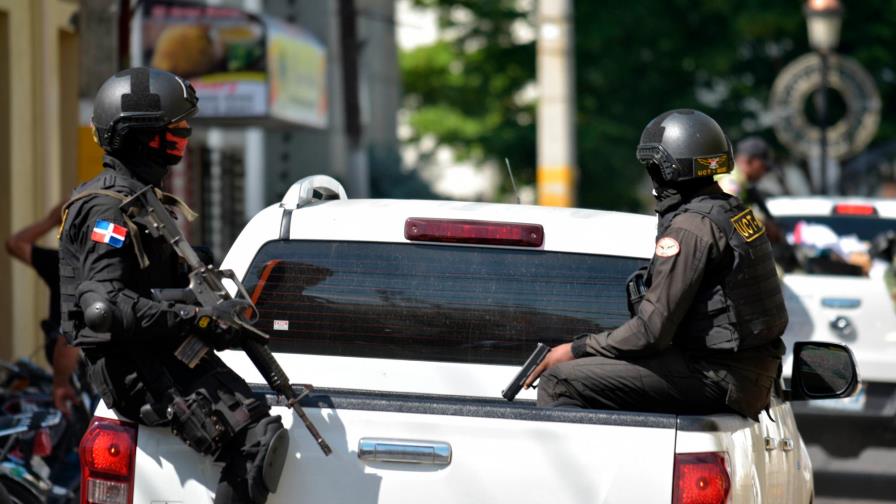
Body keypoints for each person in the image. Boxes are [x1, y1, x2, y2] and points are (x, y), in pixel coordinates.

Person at [58, 68, 287, 503]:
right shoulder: (107, 211)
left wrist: (214, 318)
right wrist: (193, 316)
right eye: (174, 131)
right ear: (139, 136)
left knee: (262, 425)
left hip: (157, 351)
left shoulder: (141, 199)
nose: (184, 137)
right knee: (256, 439)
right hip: (135, 366)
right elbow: (106, 308)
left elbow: (155, 288)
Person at [525, 109, 789, 420]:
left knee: (560, 381)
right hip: (745, 377)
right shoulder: (732, 213)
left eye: (652, 166)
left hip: (720, 378)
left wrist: (574, 349)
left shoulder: (691, 229)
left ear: (666, 169)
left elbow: (650, 332)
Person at [5, 203, 82, 415]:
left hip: (81, 381)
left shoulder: (72, 266)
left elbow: (70, 338)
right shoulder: (118, 266)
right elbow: (15, 244)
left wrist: (60, 384)